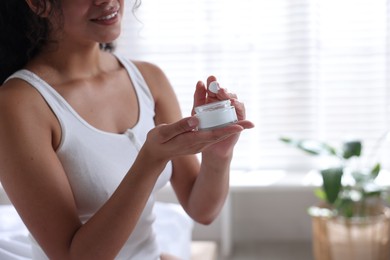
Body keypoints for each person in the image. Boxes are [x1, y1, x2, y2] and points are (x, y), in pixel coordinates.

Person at [0, 0, 254, 259]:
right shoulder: (18, 104)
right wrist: (149, 161)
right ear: (38, 4)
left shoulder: (148, 78)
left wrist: (218, 155)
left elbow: (203, 210)